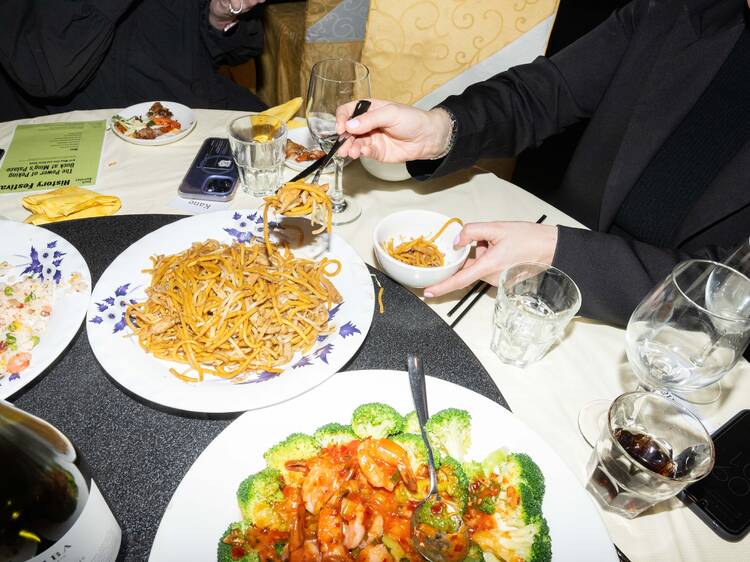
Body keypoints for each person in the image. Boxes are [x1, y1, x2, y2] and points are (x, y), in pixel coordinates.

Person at [336, 0, 750, 327]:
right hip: (544, 276)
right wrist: (441, 128)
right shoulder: (683, 10)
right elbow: (542, 93)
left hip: (686, 337)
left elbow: (730, 286)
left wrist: (562, 253)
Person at [0, 0, 267, 122]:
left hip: (189, 113)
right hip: (74, 134)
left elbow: (234, 51)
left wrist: (219, 16)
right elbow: (46, 75)